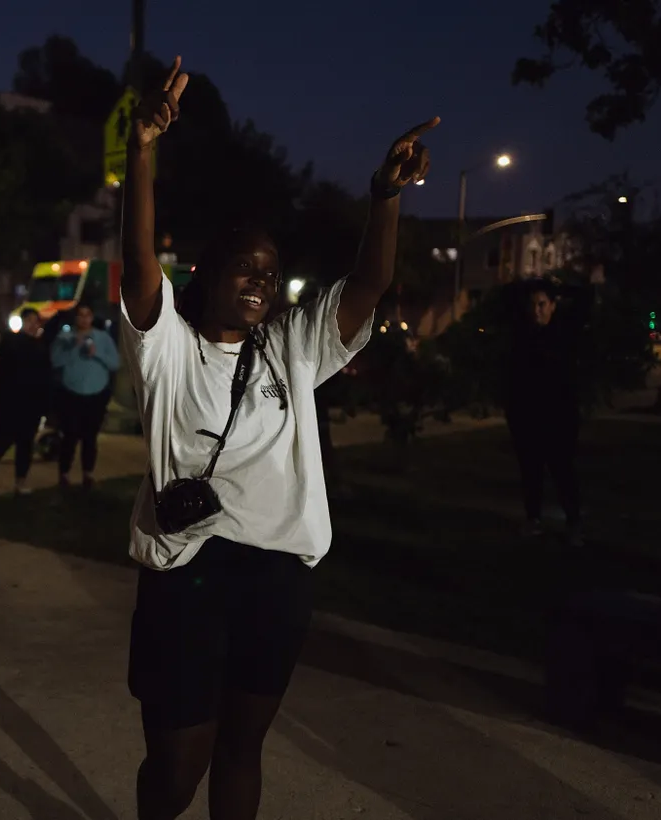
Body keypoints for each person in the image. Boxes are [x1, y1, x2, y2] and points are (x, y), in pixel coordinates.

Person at [119, 56, 433, 819]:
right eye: (245, 269)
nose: (259, 282)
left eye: (270, 273)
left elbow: (366, 288)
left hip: (277, 580)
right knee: (177, 759)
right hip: (189, 576)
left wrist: (383, 198)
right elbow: (136, 262)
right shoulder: (167, 346)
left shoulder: (289, 347)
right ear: (209, 272)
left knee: (242, 746)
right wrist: (142, 149)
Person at [504, 280, 583, 545]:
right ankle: (533, 519)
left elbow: (569, 386)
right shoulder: (522, 340)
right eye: (533, 305)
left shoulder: (563, 340)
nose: (536, 310)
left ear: (552, 306)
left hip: (558, 422)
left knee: (563, 473)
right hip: (528, 421)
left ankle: (574, 523)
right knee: (531, 473)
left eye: (541, 304)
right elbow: (513, 383)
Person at [0, 307, 51, 495]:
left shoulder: (41, 345)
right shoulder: (12, 342)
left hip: (32, 404)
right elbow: (4, 373)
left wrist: (44, 403)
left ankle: (20, 482)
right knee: (4, 440)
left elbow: (44, 375)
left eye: (36, 321)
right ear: (22, 322)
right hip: (12, 402)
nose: (33, 325)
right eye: (29, 320)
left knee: (26, 444)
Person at [51, 303, 120, 490]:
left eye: (87, 315)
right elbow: (55, 361)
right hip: (71, 393)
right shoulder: (65, 338)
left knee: (90, 437)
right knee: (70, 436)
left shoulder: (103, 338)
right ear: (75, 318)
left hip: (96, 394)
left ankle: (87, 474)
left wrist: (96, 354)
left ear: (92, 317)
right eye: (80, 315)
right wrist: (74, 347)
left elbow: (115, 363)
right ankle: (64, 474)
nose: (83, 319)